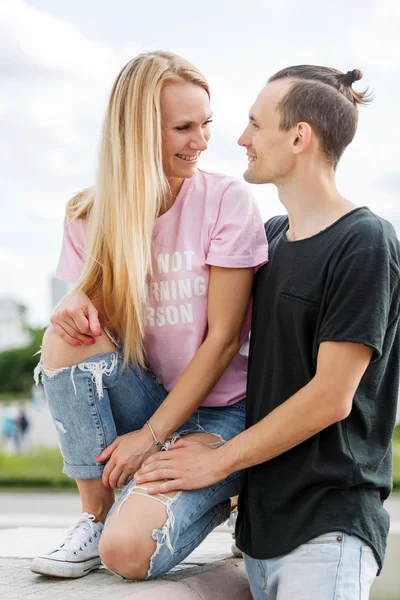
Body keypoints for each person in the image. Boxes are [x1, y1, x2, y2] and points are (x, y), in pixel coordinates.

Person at [134, 65, 400, 599]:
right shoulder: (271, 236)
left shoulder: (365, 241)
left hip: (326, 529)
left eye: (255, 124)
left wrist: (216, 462)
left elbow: (330, 398)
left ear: (299, 136)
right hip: (259, 531)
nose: (240, 139)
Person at [30, 51, 268, 580]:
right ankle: (92, 515)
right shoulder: (89, 214)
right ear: (136, 133)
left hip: (219, 414)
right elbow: (89, 328)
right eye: (183, 127)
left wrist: (152, 438)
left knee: (129, 554)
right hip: (147, 399)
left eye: (206, 124)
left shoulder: (226, 199)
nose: (202, 141)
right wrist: (75, 300)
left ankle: (234, 496)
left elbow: (225, 339)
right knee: (63, 335)